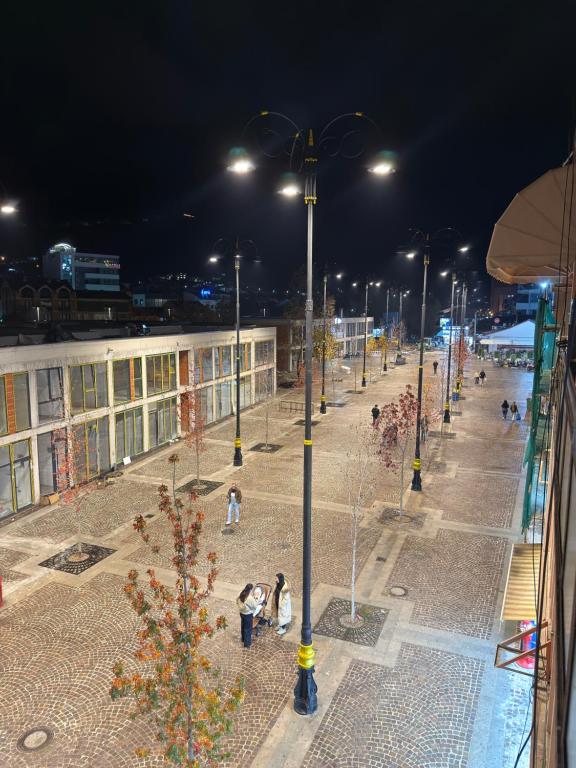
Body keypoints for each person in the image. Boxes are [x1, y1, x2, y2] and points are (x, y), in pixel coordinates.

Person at [237, 583, 259, 648]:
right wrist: (256, 598)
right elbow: (255, 606)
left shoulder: (241, 593)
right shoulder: (250, 598)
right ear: (251, 590)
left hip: (242, 613)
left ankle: (243, 639)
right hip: (248, 615)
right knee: (248, 629)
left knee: (243, 626)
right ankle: (247, 644)